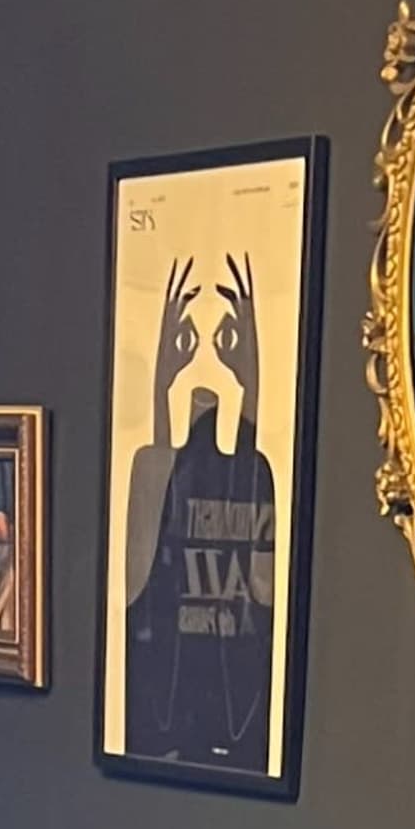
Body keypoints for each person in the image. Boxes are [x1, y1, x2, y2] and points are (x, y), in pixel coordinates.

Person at [118, 248, 277, 769]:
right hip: (179, 721)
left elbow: (244, 465)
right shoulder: (159, 472)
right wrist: (168, 378)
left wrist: (170, 379)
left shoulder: (247, 476)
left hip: (224, 722)